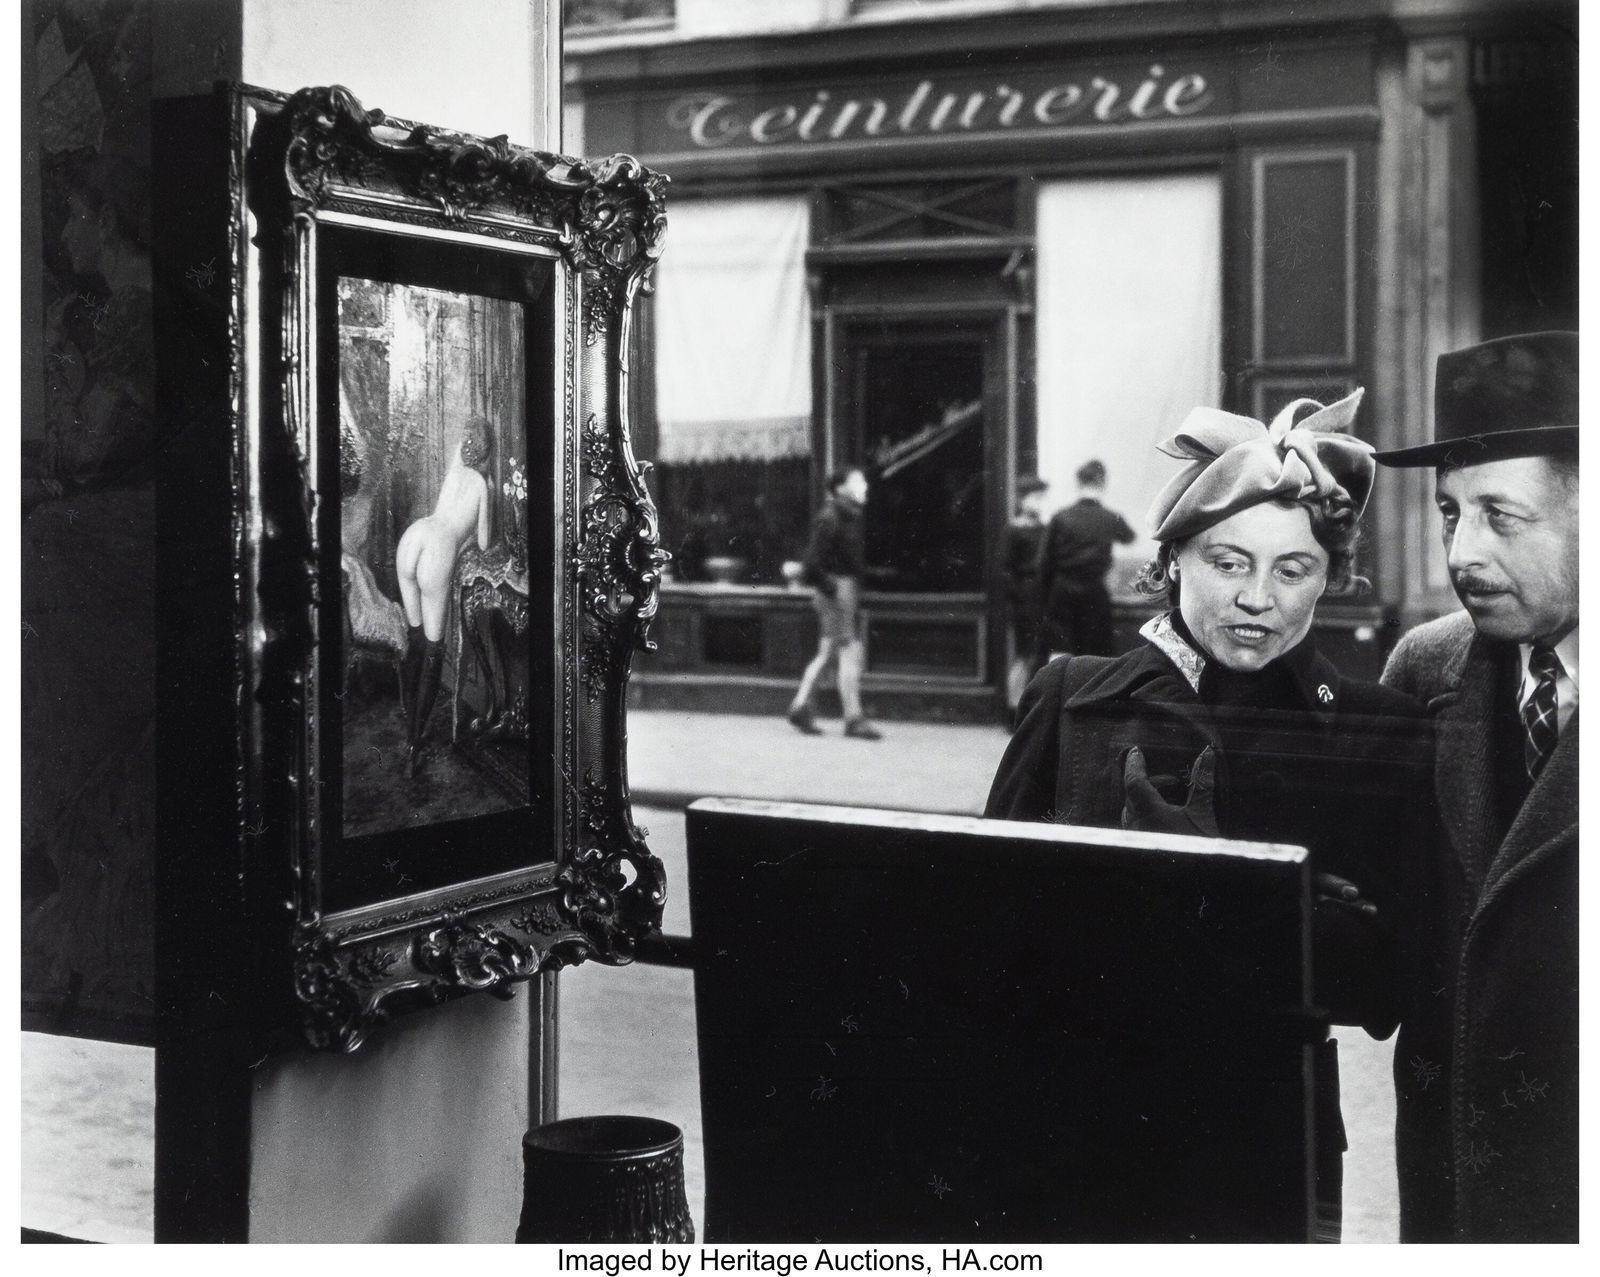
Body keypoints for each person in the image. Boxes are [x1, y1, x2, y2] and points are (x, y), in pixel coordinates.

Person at [987, 390, 1433, 1240]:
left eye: (1292, 569)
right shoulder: (1072, 698)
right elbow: (988, 942)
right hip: (1078, 1129)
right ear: (1173, 560)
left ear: (1331, 577)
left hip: (1267, 1149)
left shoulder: (1378, 729)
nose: (1257, 598)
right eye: (1229, 562)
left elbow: (1386, 987)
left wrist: (1218, 891)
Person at [1375, 331, 1578, 1243]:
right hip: (1455, 1190)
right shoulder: (1426, 667)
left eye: (1502, 515)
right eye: (1451, 512)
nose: (1462, 552)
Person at [396, 417, 494, 774]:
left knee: (415, 638)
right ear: (488, 452)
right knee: (434, 651)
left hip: (413, 538)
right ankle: (412, 745)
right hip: (438, 551)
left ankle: (409, 715)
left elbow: (462, 452)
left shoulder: (454, 473)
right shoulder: (483, 484)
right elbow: (483, 543)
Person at [787, 466, 882, 740]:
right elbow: (812, 562)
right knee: (850, 650)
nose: (864, 485)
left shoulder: (844, 516)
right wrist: (834, 590)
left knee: (828, 651)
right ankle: (853, 718)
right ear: (841, 489)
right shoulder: (832, 517)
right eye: (858, 481)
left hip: (839, 589)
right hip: (837, 590)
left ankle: (801, 706)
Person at [1036, 459, 1136, 659]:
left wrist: (1046, 597)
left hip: (1062, 592)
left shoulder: (1060, 517)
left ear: (1078, 483)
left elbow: (1043, 562)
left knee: (1060, 652)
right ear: (1102, 483)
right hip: (1094, 593)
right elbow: (1129, 537)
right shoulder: (1110, 517)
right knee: (1095, 654)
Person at [1004, 475, 1051, 709]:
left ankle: (1032, 708)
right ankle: (1014, 708)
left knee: (1039, 654)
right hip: (1024, 599)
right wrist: (1019, 597)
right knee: (1025, 655)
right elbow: (1004, 570)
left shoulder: (1045, 529)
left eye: (1042, 498)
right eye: (1036, 498)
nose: (1040, 503)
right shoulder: (1013, 531)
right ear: (1022, 500)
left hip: (1043, 598)